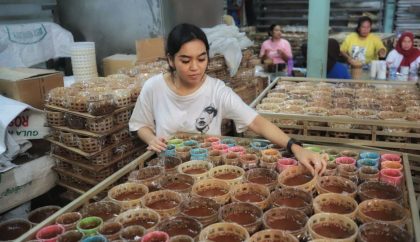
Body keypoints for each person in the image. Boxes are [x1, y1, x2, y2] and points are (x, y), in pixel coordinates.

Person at [129, 23, 326, 175]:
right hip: (169, 168)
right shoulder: (154, 87)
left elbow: (257, 122)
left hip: (209, 169)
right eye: (185, 60)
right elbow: (140, 124)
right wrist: (152, 138)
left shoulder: (216, 91)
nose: (195, 67)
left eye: (201, 58)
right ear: (171, 60)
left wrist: (296, 148)